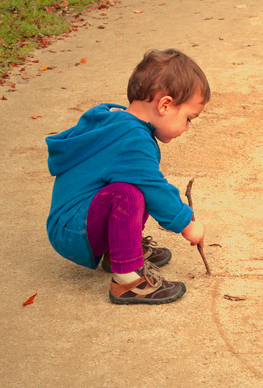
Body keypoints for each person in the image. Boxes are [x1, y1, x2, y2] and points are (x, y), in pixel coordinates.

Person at [46, 49, 209, 304]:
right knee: (130, 192)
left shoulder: (117, 121)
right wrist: (187, 224)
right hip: (73, 230)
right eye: (189, 118)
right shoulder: (131, 140)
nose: (187, 127)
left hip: (73, 222)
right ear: (165, 105)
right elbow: (154, 188)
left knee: (133, 183)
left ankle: (120, 251)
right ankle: (129, 280)